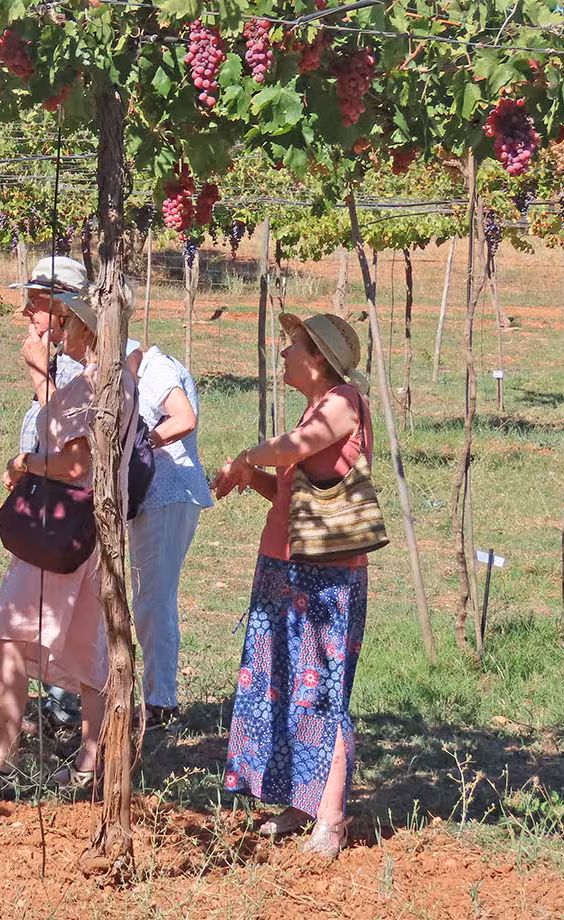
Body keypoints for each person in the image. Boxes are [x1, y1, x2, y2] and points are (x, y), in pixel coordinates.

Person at [0, 272, 138, 802]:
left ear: (73, 320)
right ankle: (72, 759)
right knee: (73, 646)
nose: (31, 320)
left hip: (69, 531)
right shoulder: (107, 376)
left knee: (25, 634)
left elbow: (74, 463)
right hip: (86, 533)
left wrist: (26, 457)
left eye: (39, 308)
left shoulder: (94, 381)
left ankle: (30, 760)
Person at [211, 312, 373, 859]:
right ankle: (298, 802)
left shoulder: (342, 401)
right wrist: (249, 476)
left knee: (322, 693)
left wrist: (249, 456)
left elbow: (295, 447)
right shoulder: (314, 407)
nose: (283, 354)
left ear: (319, 359)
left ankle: (330, 819)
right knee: (280, 686)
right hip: (285, 565)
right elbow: (296, 498)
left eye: (293, 346)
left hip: (327, 576)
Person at [10, 257, 92, 737]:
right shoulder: (62, 357)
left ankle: (71, 711)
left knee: (71, 611)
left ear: (64, 309)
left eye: (37, 302)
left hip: (77, 509)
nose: (27, 312)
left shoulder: (83, 365)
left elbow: (72, 448)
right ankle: (60, 705)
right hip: (52, 500)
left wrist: (41, 378)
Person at [124, 338, 213, 727]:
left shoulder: (155, 370)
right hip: (159, 495)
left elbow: (184, 418)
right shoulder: (151, 366)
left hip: (168, 491)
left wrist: (140, 443)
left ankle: (161, 701)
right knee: (154, 596)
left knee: (153, 598)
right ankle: (159, 694)